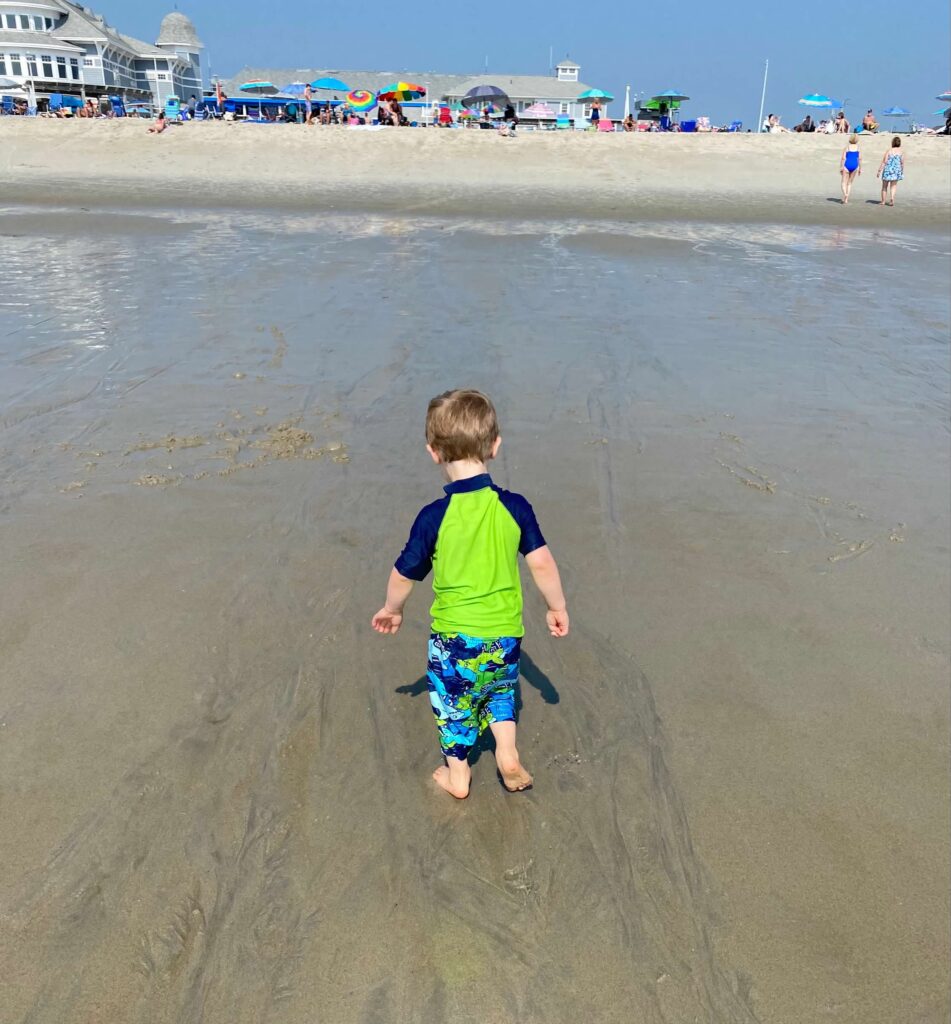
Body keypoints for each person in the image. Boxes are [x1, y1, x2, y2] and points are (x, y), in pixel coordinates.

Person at [371, 389, 569, 799]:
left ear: (433, 453)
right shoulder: (514, 507)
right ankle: (508, 755)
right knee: (499, 692)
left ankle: (458, 775)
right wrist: (556, 606)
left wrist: (393, 608)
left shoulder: (434, 517)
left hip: (453, 640)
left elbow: (404, 572)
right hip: (505, 635)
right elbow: (542, 563)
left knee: (453, 707)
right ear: (495, 446)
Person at [877, 136, 904, 205]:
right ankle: (892, 198)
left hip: (888, 170)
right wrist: (901, 171)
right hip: (896, 170)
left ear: (893, 143)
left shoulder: (889, 151)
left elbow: (884, 161)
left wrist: (879, 170)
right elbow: (902, 163)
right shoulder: (901, 152)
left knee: (884, 186)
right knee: (893, 186)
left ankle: (883, 201)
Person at [839, 133, 861, 203]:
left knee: (843, 182)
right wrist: (860, 168)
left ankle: (845, 194)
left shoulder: (847, 147)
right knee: (849, 183)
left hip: (847, 165)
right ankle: (846, 199)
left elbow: (843, 158)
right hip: (855, 165)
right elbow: (860, 159)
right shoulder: (858, 148)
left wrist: (841, 167)